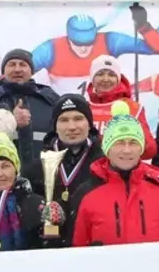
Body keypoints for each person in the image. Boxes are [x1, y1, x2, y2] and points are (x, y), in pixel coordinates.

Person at [71, 102, 159, 247]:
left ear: (141, 148)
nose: (127, 150)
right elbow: (78, 249)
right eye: (119, 142)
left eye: (133, 143)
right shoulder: (86, 192)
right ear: (107, 148)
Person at [24, 92, 102, 248]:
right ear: (55, 126)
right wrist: (38, 211)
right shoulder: (38, 166)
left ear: (89, 124)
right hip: (51, 250)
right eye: (64, 120)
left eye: (78, 118)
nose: (72, 127)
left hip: (91, 246)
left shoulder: (103, 163)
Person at [0, 49, 60, 169]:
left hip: (45, 174)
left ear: (32, 71)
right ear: (3, 71)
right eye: (12, 64)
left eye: (23, 64)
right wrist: (11, 121)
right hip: (0, 174)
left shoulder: (51, 100)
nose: (17, 69)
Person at [29, 5, 159, 80]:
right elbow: (21, 69)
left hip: (101, 110)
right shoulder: (50, 49)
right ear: (68, 38)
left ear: (95, 36)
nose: (84, 49)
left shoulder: (110, 41)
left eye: (89, 43)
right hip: (67, 112)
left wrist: (144, 27)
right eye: (78, 44)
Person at [84, 55, 157, 160]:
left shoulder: (132, 107)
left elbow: (149, 151)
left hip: (121, 166)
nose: (106, 79)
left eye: (111, 74)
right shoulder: (84, 107)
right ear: (92, 78)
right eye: (100, 74)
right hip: (88, 167)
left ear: (118, 79)